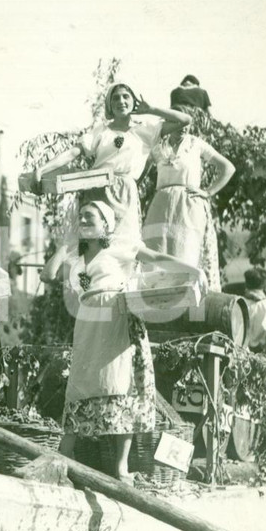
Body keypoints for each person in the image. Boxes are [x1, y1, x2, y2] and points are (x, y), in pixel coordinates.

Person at [42, 200, 207, 483]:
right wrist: (64, 246)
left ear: (106, 224)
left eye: (89, 217)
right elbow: (47, 274)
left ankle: (120, 468)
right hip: (87, 321)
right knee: (80, 386)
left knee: (120, 385)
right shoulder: (77, 256)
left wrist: (194, 271)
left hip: (117, 316)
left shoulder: (119, 247)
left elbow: (156, 258)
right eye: (80, 217)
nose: (82, 221)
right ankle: (62, 462)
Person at [32, 83, 191, 250]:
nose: (121, 101)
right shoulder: (100, 131)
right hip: (97, 190)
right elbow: (73, 153)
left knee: (125, 246)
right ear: (109, 104)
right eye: (115, 98)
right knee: (95, 246)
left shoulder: (146, 129)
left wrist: (150, 109)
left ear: (133, 101)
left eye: (126, 96)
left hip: (125, 193)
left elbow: (185, 120)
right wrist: (42, 170)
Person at [141, 127, 235, 290]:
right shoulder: (158, 147)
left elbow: (228, 168)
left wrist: (208, 192)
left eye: (187, 123)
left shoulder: (195, 144)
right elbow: (138, 173)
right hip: (161, 206)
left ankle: (191, 304)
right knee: (156, 255)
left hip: (188, 205)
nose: (184, 127)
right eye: (178, 122)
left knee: (186, 253)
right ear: (170, 122)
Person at [242, 267, 266, 354]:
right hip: (260, 357)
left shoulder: (238, 304)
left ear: (246, 284)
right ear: (264, 285)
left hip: (238, 355)